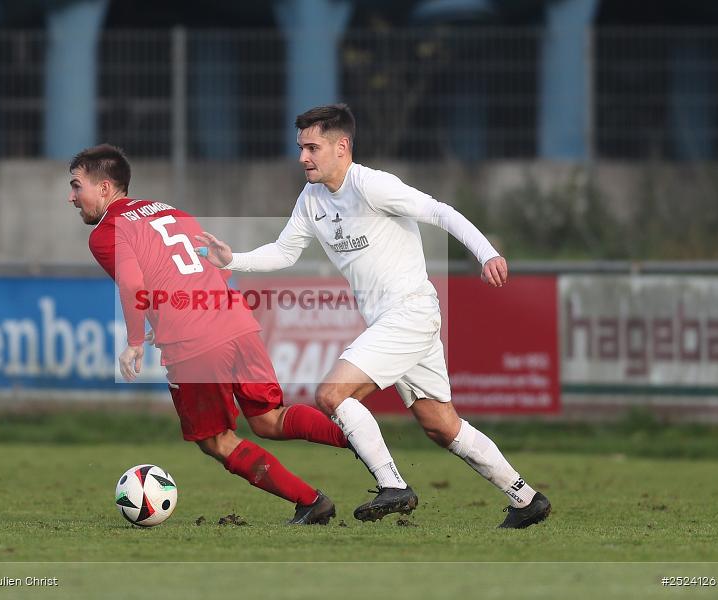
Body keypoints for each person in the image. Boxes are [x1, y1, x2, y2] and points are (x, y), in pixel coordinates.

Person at [195, 104, 551, 528]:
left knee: (332, 395)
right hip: (392, 321)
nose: (303, 157)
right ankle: (526, 499)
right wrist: (233, 258)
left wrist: (486, 252)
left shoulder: (371, 186)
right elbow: (285, 250)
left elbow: (439, 211)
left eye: (312, 147)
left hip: (411, 312)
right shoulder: (311, 199)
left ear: (341, 147)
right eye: (301, 147)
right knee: (441, 425)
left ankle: (393, 484)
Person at [69, 143, 350, 525]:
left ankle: (310, 501)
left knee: (216, 439)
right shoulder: (172, 211)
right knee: (269, 417)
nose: (71, 197)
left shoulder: (106, 231)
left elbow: (133, 285)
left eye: (76, 186)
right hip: (234, 319)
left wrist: (135, 340)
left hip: (195, 340)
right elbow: (214, 269)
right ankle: (362, 439)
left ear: (104, 188)